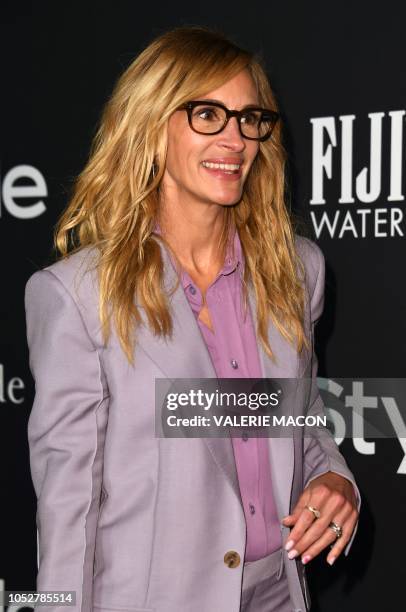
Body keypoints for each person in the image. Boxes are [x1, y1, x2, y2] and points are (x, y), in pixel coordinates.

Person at [24, 26, 360, 612]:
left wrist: (334, 480)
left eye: (249, 118)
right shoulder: (78, 295)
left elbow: (299, 421)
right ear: (153, 126)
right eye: (208, 115)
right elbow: (66, 512)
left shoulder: (296, 271)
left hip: (278, 593)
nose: (235, 139)